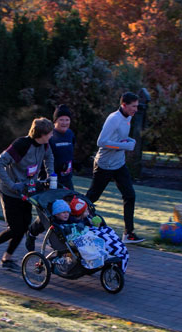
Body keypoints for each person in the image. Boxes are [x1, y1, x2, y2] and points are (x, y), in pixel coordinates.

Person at [0, 117, 55, 272]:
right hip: (10, 193)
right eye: (49, 133)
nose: (51, 136)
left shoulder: (45, 145)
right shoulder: (21, 145)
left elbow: (49, 158)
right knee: (15, 228)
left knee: (24, 226)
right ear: (41, 134)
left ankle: (6, 259)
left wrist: (50, 176)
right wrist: (12, 184)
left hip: (27, 191)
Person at [85, 92, 144, 244]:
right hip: (104, 164)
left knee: (130, 195)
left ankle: (128, 234)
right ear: (124, 105)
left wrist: (128, 141)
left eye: (137, 106)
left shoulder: (128, 117)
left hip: (119, 164)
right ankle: (75, 222)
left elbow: (119, 139)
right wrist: (124, 145)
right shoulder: (113, 119)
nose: (135, 110)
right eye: (133, 106)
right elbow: (101, 142)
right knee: (91, 198)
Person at [50, 105, 76, 190]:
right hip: (51, 179)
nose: (64, 123)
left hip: (67, 178)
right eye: (61, 120)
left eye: (67, 120)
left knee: (72, 202)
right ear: (55, 121)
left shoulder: (70, 134)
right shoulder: (49, 135)